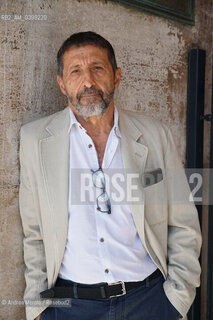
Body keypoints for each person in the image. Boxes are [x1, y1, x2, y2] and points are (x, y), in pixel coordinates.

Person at [19, 31, 202, 320]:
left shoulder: (154, 135)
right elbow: (34, 233)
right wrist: (37, 307)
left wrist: (177, 300)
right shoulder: (34, 141)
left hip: (150, 302)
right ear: (61, 84)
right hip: (70, 308)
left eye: (97, 68)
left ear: (116, 77)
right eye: (75, 71)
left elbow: (183, 222)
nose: (88, 81)